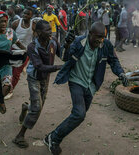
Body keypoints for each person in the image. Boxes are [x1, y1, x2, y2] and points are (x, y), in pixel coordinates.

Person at [44, 22, 129, 154]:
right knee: (79, 113)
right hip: (76, 81)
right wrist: (67, 44)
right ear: (90, 34)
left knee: (80, 115)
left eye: (103, 37)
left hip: (91, 85)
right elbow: (64, 57)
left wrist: (121, 73)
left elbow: (114, 61)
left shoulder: (105, 44)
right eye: (98, 36)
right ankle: (54, 138)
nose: (100, 40)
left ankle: (52, 136)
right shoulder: (79, 42)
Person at [12, 20, 65, 148]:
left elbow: (63, 55)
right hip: (34, 78)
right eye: (47, 30)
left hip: (44, 78)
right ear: (39, 32)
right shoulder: (32, 46)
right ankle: (19, 136)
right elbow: (39, 66)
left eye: (50, 29)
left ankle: (26, 107)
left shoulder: (52, 41)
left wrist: (67, 43)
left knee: (38, 105)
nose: (50, 32)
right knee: (37, 108)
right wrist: (59, 67)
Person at [5, 7, 36, 99]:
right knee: (8, 71)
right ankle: (5, 87)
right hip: (13, 50)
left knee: (16, 73)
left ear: (31, 16)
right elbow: (8, 36)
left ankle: (10, 90)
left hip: (24, 52)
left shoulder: (33, 25)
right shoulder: (16, 23)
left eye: (27, 14)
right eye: (24, 13)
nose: (25, 15)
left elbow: (35, 38)